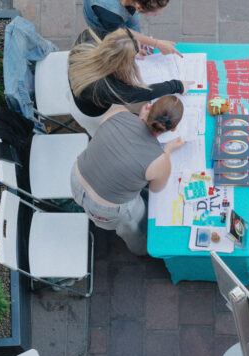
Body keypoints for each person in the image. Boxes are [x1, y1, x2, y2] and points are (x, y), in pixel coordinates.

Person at [69, 95, 184, 255]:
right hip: (106, 209)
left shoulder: (118, 112)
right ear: (173, 129)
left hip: (77, 179)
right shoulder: (160, 159)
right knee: (137, 228)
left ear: (147, 108)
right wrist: (167, 151)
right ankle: (143, 251)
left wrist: (141, 119)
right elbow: (156, 190)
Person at [67, 29, 192, 129]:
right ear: (121, 64)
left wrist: (129, 50)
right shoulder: (110, 88)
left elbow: (124, 36)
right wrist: (178, 85)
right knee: (106, 135)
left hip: (78, 85)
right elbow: (146, 93)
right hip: (93, 114)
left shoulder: (89, 36)